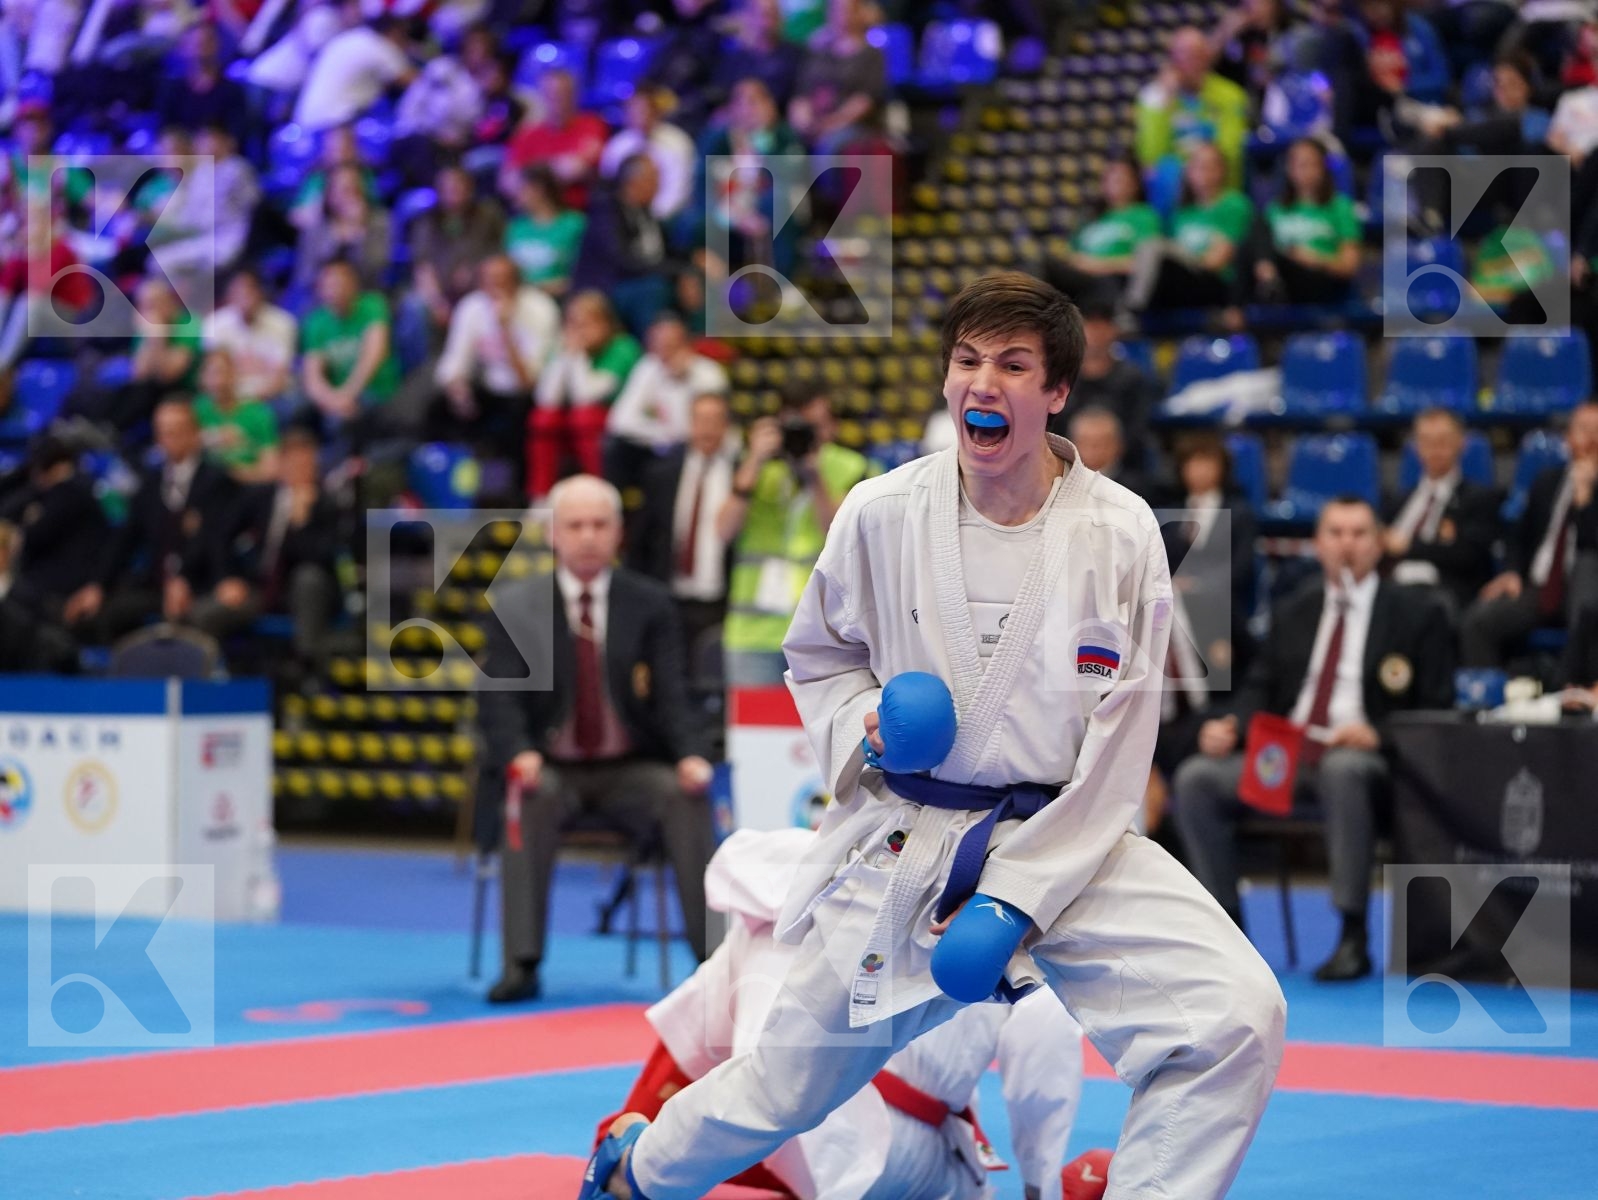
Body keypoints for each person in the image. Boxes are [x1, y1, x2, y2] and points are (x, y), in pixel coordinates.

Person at [580, 271, 1286, 1200]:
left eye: (1013, 365)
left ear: (1058, 391)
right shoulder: (881, 512)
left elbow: (1121, 746)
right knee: (785, 1087)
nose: (982, 384)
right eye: (966, 361)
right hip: (911, 838)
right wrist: (864, 722)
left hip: (1065, 843)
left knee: (1236, 1016)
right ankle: (640, 1167)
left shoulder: (1121, 534)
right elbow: (819, 656)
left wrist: (1015, 900)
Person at [596, 827, 1085, 1200]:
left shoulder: (802, 882)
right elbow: (1043, 1053)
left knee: (760, 961)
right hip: (920, 1157)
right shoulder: (1017, 879)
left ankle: (635, 1161)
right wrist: (1041, 1187)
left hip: (782, 1124)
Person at [1171, 496, 1455, 981]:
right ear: (1317, 544)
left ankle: (1352, 934)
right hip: (1285, 758)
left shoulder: (1416, 611)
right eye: (1336, 533)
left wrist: (1377, 733)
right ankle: (1229, 934)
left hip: (1365, 762)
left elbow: (1437, 706)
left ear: (1379, 543)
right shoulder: (1296, 609)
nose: (1347, 543)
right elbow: (1259, 686)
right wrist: (1231, 726)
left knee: (1343, 769)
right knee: (1198, 778)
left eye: (1359, 533)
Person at [477, 475, 719, 1005]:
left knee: (685, 796)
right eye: (575, 525)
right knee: (527, 797)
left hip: (628, 766)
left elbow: (675, 694)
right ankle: (522, 961)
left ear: (618, 534)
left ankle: (715, 961)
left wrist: (692, 757)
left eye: (599, 525)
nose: (587, 535)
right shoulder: (516, 606)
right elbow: (498, 701)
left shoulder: (650, 604)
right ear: (553, 535)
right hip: (550, 766)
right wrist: (519, 754)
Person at [717, 382, 873, 686]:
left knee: (821, 733)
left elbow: (841, 535)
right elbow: (723, 531)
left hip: (824, 635)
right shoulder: (751, 467)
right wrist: (754, 458)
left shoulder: (851, 466)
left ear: (831, 427)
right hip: (753, 634)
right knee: (756, 731)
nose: (804, 435)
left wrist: (814, 475)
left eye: (813, 426)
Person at [64, 398, 248, 645]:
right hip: (156, 585)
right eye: (163, 432)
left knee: (192, 617)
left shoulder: (216, 481)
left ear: (194, 434)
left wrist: (184, 578)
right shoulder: (150, 484)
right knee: (104, 614)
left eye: (176, 431)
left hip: (203, 583)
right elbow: (124, 539)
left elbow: (215, 539)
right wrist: (97, 585)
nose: (168, 439)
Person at [1462, 401, 1598, 667]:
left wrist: (1585, 502)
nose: (1592, 439)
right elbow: (1517, 535)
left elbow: (1591, 545)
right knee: (1477, 622)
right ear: (1568, 438)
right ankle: (1485, 700)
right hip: (1539, 587)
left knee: (1586, 603)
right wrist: (1511, 571)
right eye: (1584, 430)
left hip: (1589, 592)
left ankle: (1578, 697)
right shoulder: (1547, 481)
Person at [627, 392, 738, 656]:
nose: (707, 428)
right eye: (700, 420)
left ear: (726, 426)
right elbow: (641, 540)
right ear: (689, 424)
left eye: (715, 420)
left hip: (722, 601)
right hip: (670, 596)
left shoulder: (741, 475)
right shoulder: (662, 473)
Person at [229, 428, 344, 671]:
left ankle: (306, 666)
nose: (302, 471)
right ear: (281, 465)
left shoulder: (328, 503)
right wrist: (230, 579)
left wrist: (300, 524)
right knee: (210, 611)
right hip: (259, 587)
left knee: (308, 579)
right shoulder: (260, 497)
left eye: (307, 464)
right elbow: (224, 535)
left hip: (303, 592)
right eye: (294, 464)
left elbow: (322, 557)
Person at [428, 253, 559, 449]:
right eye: (489, 280)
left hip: (526, 394)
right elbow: (454, 360)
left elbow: (528, 381)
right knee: (438, 408)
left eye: (501, 280)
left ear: (516, 281)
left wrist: (505, 329)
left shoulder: (540, 309)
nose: (495, 286)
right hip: (486, 389)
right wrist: (458, 390)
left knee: (516, 416)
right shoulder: (471, 307)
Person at [1382, 408, 1499, 616]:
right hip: (1391, 585)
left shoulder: (1478, 498)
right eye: (1426, 441)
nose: (1435, 449)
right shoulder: (1397, 500)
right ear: (1416, 446)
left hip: (1442, 591)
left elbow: (1468, 555)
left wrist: (1408, 546)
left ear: (1461, 443)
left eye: (1443, 440)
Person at [529, 291, 643, 500]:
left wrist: (578, 355)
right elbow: (546, 399)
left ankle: (599, 492)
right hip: (572, 427)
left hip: (615, 425)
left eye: (588, 323)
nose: (580, 331)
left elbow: (587, 397)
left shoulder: (623, 348)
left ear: (607, 322)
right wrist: (567, 357)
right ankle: (541, 497)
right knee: (544, 418)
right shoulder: (565, 348)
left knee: (584, 416)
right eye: (574, 323)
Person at [603, 312, 728, 497]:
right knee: (614, 447)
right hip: (659, 445)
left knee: (667, 463)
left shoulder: (708, 374)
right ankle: (614, 508)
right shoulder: (648, 367)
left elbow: (705, 429)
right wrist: (662, 434)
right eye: (658, 346)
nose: (664, 353)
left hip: (697, 448)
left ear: (687, 344)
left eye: (671, 346)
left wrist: (679, 382)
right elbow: (619, 421)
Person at [1124, 143, 1255, 314]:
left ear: (1222, 170)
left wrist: (1184, 256)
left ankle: (1132, 309)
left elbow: (1216, 260)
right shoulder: (1181, 214)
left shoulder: (1234, 204)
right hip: (1183, 280)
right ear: (1189, 172)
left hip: (1214, 283)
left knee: (1152, 246)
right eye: (1198, 166)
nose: (1204, 172)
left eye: (1210, 166)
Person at [1044, 301, 1159, 471]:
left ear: (1114, 330)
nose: (1096, 334)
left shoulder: (1133, 380)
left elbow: (1138, 429)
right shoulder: (1061, 380)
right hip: (1066, 465)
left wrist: (1108, 453)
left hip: (1123, 469)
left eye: (1102, 326)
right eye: (1090, 326)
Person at [1134, 25, 1251, 189]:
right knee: (1163, 172)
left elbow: (1231, 149)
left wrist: (1198, 170)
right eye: (1185, 56)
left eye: (1198, 55)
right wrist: (1163, 100)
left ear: (1207, 57)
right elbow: (1150, 157)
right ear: (1173, 61)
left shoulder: (1231, 95)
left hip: (1218, 183)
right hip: (1175, 186)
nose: (1193, 63)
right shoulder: (1154, 98)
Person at [1044, 155, 1163, 310]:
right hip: (1081, 278)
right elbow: (1071, 257)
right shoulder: (1090, 218)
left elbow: (1143, 263)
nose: (1116, 183)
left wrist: (1096, 265)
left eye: (1122, 178)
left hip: (1114, 280)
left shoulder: (1144, 215)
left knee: (1105, 285)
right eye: (1111, 177)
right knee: (1043, 267)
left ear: (1135, 184)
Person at [1252, 138, 1360, 305]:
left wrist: (1313, 258)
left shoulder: (1340, 207)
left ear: (1324, 168)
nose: (1307, 171)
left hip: (1319, 280)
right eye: (1300, 165)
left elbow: (1349, 265)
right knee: (1256, 232)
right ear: (1289, 169)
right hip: (1282, 278)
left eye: (1312, 164)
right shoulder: (1275, 209)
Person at [598, 87, 697, 223]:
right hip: (623, 217)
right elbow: (609, 187)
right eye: (635, 110)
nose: (641, 116)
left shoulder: (678, 142)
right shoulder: (617, 146)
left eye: (646, 110)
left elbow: (678, 191)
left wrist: (650, 218)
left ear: (657, 112)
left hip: (667, 217)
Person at [204, 265, 299, 406]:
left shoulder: (284, 323)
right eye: (238, 290)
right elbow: (214, 376)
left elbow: (280, 376)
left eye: (250, 290)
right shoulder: (214, 325)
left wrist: (250, 401)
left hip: (273, 396)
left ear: (261, 292)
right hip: (229, 398)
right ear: (229, 294)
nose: (244, 296)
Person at [194, 348, 281, 484]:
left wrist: (236, 474)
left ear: (235, 374)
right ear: (202, 377)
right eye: (211, 373)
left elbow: (271, 468)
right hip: (207, 487)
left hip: (248, 485)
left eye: (222, 372)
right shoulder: (194, 412)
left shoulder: (258, 414)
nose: (218, 381)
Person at [505, 164, 587, 297]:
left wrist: (540, 289)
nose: (517, 194)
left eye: (522, 188)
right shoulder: (516, 228)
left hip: (559, 298)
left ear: (539, 190)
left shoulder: (574, 224)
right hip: (519, 300)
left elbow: (582, 275)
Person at [1065, 406, 1150, 498]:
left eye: (1101, 442)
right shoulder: (1059, 486)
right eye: (1085, 442)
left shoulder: (1140, 490)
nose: (1092, 449)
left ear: (1119, 446)